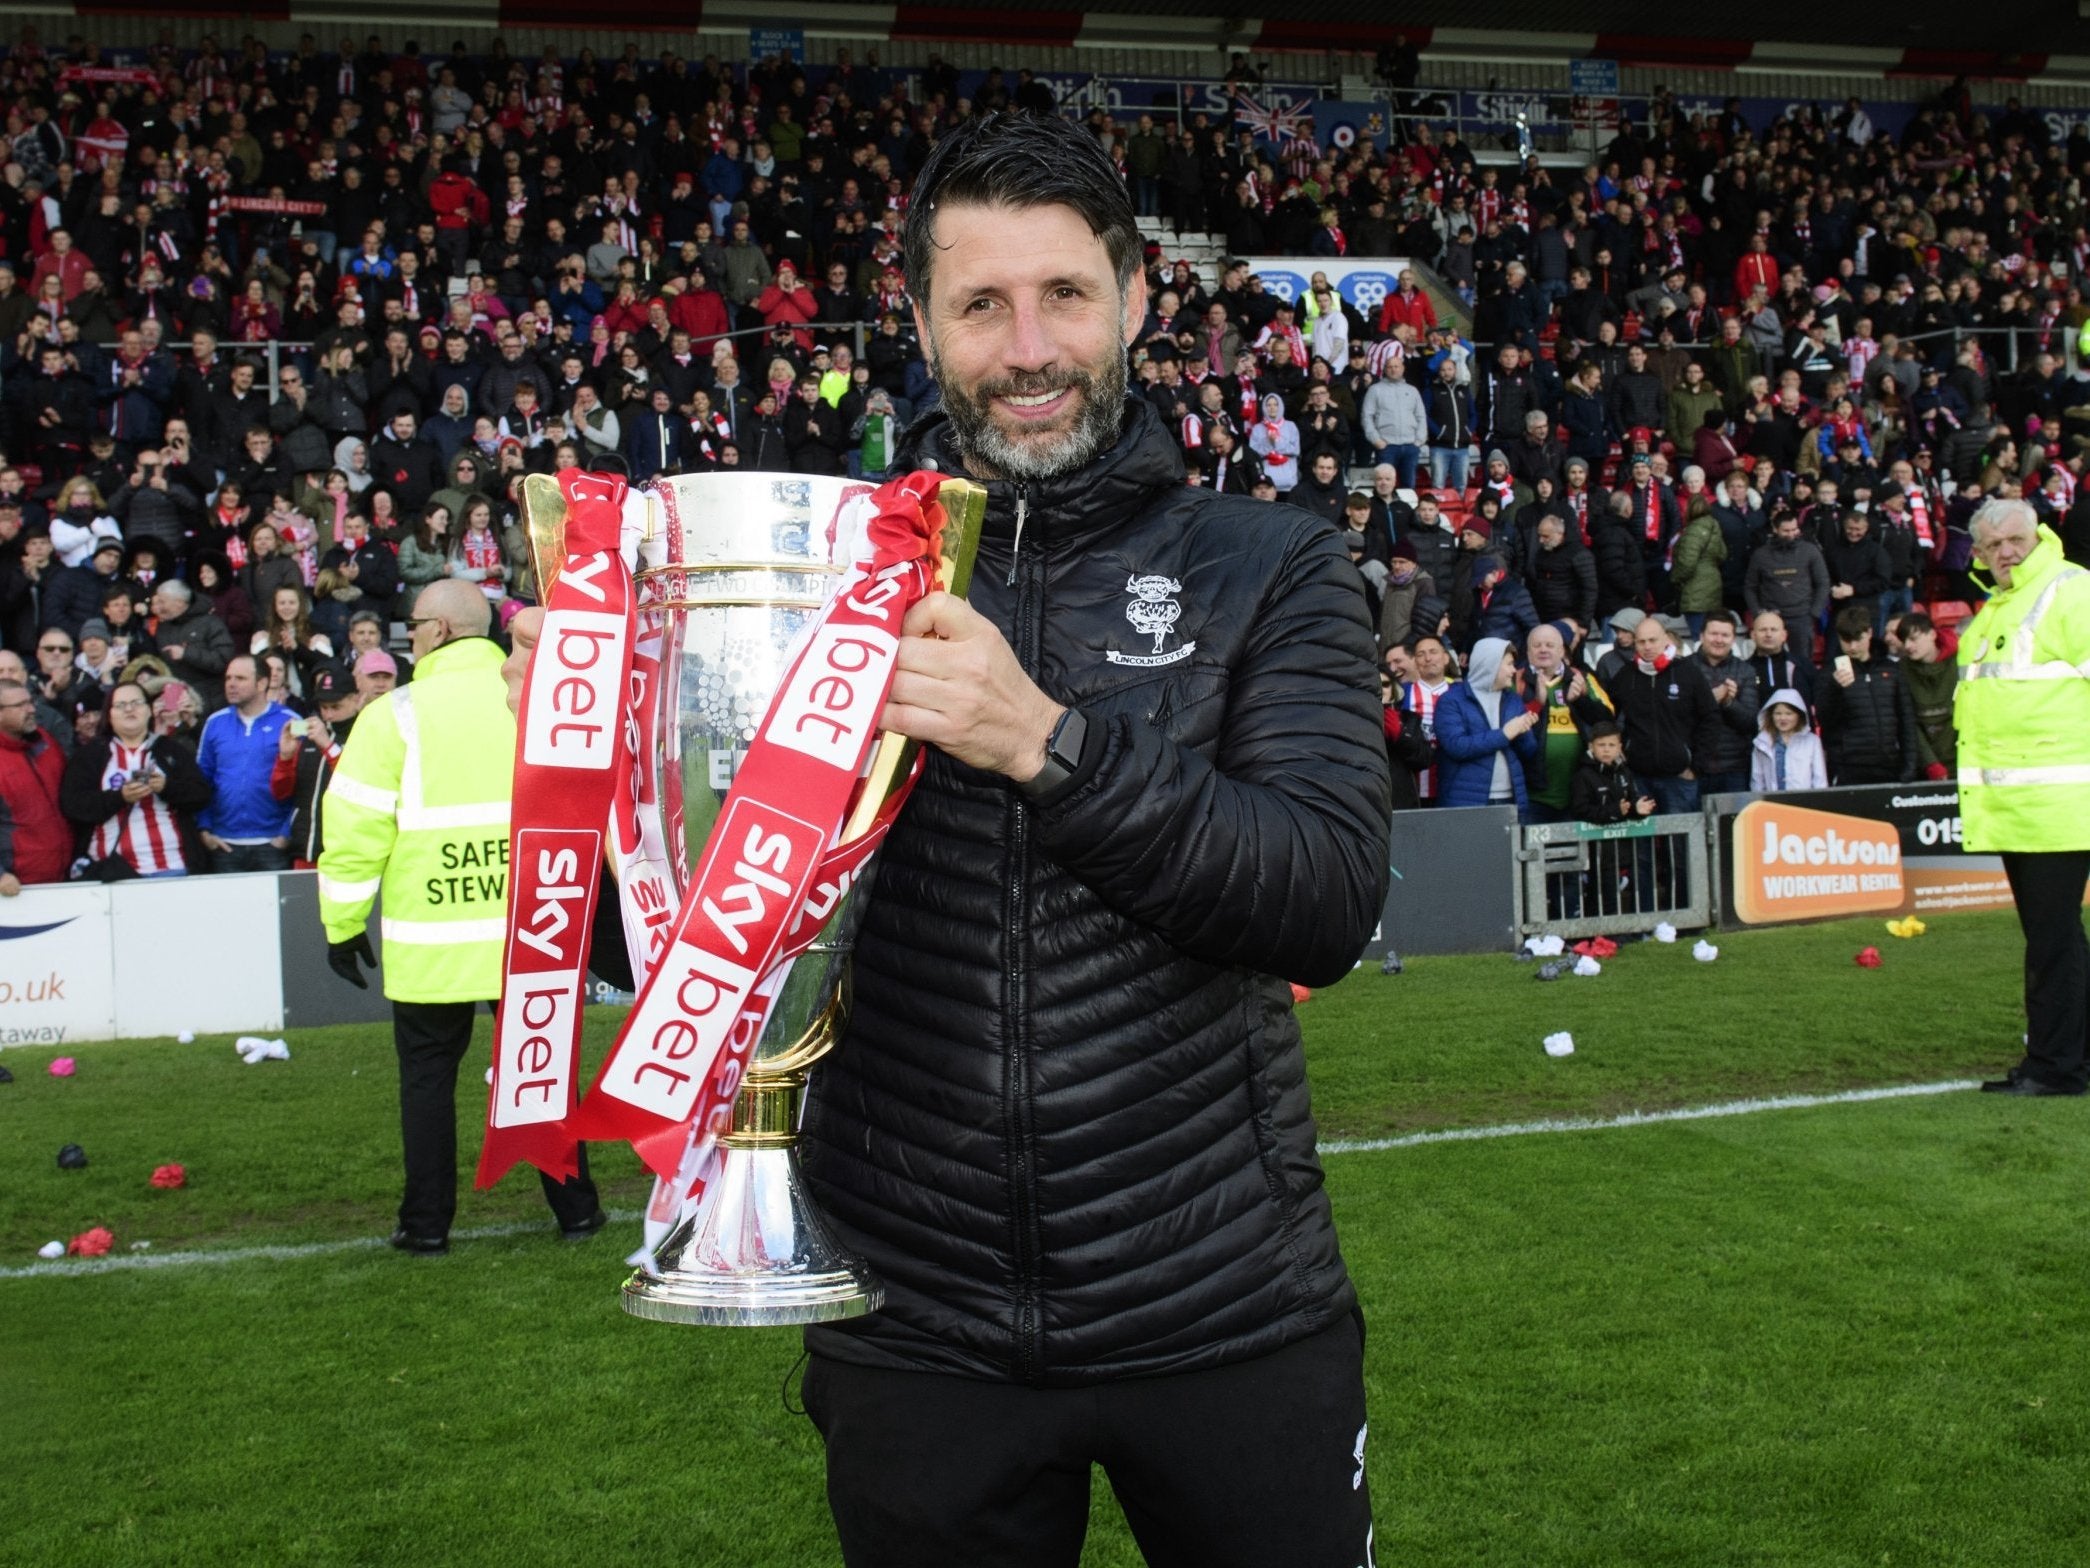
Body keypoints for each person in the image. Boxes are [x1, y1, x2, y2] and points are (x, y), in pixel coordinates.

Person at [774, 114, 1386, 1565]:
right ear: (917, 321)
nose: (1028, 346)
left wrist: (1044, 743)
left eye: (1063, 295)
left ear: (1133, 301)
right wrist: (602, 752)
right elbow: (674, 941)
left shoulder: (1268, 565)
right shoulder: (804, 573)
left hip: (1226, 1306)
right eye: (981, 304)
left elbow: (1320, 899)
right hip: (910, 1324)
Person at [318, 580, 607, 1249]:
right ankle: (577, 1212)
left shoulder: (395, 714)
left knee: (427, 1083)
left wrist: (340, 925)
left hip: (432, 938)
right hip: (534, 927)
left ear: (442, 630)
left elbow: (354, 830)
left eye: (412, 625)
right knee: (542, 1074)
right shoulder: (538, 695)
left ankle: (424, 1227)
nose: (406, 636)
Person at [1956, 499, 2090, 1095]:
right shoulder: (1998, 608)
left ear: (2038, 534)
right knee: (2055, 940)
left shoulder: (2069, 592)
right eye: (1991, 546)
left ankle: (2056, 1067)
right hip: (2028, 810)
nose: (2005, 552)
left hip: (2057, 807)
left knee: (2053, 942)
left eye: (2014, 539)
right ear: (1978, 553)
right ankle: (2063, 1059)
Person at [60, 680, 210, 878]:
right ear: (109, 715)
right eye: (120, 705)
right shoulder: (90, 755)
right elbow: (73, 805)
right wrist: (119, 797)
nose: (129, 709)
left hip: (171, 865)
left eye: (137, 703)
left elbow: (201, 794)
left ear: (149, 710)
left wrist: (166, 787)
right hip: (113, 871)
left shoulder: (171, 750)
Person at [194, 652, 297, 872]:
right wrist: (204, 830)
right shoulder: (214, 722)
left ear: (262, 683)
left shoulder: (293, 720)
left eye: (240, 679)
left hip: (273, 843)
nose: (231, 684)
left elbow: (306, 781)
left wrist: (286, 834)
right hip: (224, 844)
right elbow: (202, 780)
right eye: (228, 678)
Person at [1609, 616, 1720, 815]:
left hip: (1679, 778)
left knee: (1680, 844)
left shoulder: (1687, 672)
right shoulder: (1626, 676)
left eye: (1653, 640)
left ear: (1665, 640)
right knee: (1643, 844)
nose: (1647, 646)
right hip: (1639, 777)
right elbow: (1607, 715)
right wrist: (1620, 747)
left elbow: (1710, 719)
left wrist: (1696, 767)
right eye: (1642, 642)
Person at [1432, 636, 1539, 815]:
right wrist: (1504, 734)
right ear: (1491, 664)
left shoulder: (1512, 699)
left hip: (1511, 797)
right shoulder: (1452, 700)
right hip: (1465, 801)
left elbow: (1529, 751)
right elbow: (1457, 746)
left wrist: (1523, 731)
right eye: (1509, 664)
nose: (1514, 670)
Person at [1520, 622, 1611, 822]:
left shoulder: (1582, 678)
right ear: (1527, 652)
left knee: (1572, 852)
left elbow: (1607, 721)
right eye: (1537, 645)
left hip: (1578, 791)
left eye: (1550, 645)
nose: (1543, 649)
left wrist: (1582, 699)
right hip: (1532, 793)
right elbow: (1509, 728)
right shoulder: (1516, 681)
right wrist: (1537, 702)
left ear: (1562, 650)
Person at [272, 664, 362, 867]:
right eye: (323, 707)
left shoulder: (366, 733)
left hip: (348, 851)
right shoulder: (308, 734)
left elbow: (355, 784)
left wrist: (328, 747)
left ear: (355, 699)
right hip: (305, 849)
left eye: (335, 706)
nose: (328, 714)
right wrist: (285, 758)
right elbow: (281, 792)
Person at [1816, 605, 1915, 785]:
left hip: (1890, 765)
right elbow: (1825, 721)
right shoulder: (1829, 674)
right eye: (1846, 640)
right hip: (1849, 769)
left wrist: (1909, 767)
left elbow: (1906, 720)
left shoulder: (1891, 670)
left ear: (1869, 632)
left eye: (1857, 639)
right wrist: (1835, 690)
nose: (1852, 646)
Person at [0, 679, 68, 890]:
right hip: (19, 887)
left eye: (30, 702)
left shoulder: (45, 741)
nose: (31, 709)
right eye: (20, 705)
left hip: (67, 877)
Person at [1689, 612, 1760, 797]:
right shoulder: (1683, 669)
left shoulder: (1745, 670)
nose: (1719, 640)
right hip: (1693, 766)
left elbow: (1750, 722)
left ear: (1733, 639)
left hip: (1734, 768)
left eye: (1725, 635)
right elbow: (1677, 718)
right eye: (1714, 634)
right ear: (1701, 635)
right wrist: (1710, 700)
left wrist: (1729, 702)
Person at [1893, 610, 1958, 781]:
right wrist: (1930, 763)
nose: (1907, 646)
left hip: (1962, 759)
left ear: (1932, 634)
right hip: (1925, 766)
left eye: (1913, 639)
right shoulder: (1902, 670)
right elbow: (1909, 722)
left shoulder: (1960, 662)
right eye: (1904, 640)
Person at [1751, 690, 1828, 793]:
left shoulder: (1812, 742)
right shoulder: (1762, 742)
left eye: (1789, 713)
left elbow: (1820, 780)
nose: (1783, 718)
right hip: (1773, 804)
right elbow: (1757, 780)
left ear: (1798, 715)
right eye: (1778, 713)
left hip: (1803, 804)